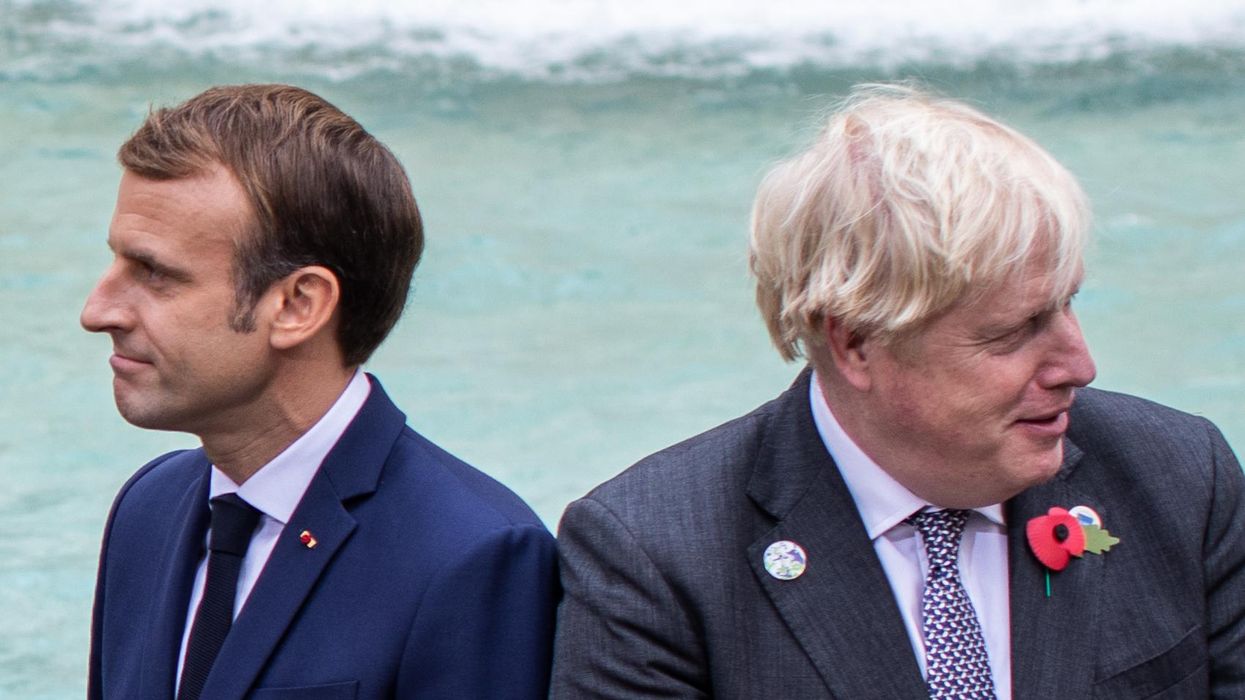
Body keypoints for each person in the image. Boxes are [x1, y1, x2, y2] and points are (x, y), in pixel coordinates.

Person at [550, 84, 1245, 698]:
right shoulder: (654, 555)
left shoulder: (1180, 478)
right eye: (1014, 331)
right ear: (855, 343)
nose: (1079, 364)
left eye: (1067, 303)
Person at [83, 84, 558, 700]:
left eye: (154, 273)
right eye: (116, 262)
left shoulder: (472, 555)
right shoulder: (148, 507)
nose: (98, 311)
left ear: (297, 306)